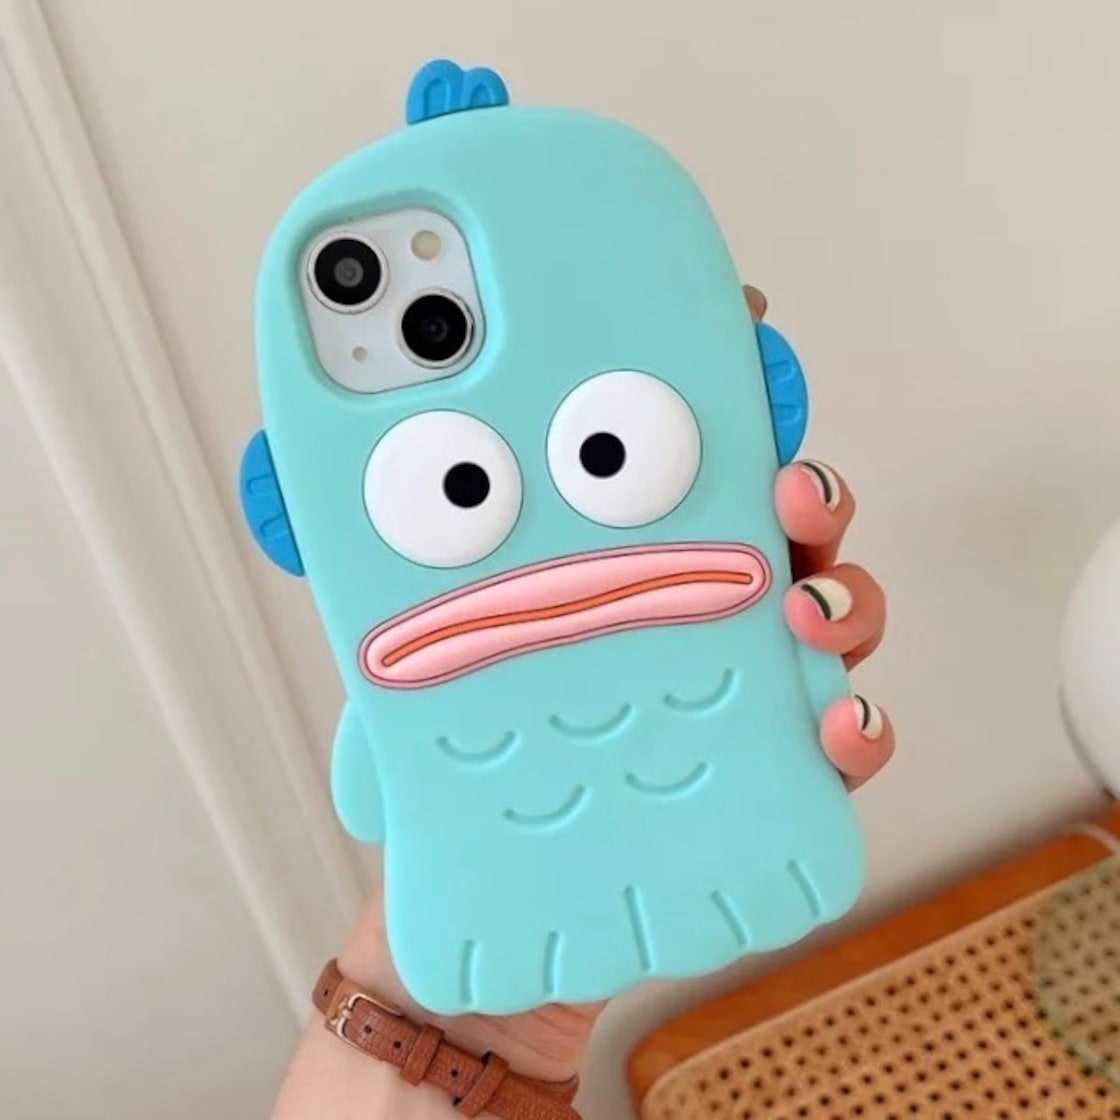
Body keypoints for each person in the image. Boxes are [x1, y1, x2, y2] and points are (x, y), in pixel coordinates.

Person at [269, 287, 893, 1120]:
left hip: (484, 939)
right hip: (489, 938)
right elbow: (370, 797)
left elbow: (362, 802)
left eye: (610, 452)